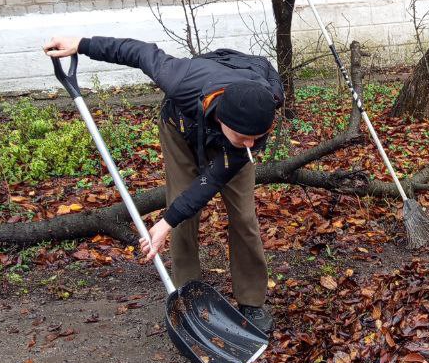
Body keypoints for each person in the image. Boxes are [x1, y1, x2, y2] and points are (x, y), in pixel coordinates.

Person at [44, 35, 284, 335]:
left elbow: (214, 179)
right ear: (223, 118)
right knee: (181, 212)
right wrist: (81, 44)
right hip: (181, 129)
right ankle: (189, 295)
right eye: (245, 137)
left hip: (229, 137)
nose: (252, 145)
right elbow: (139, 51)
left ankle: (251, 301)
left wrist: (164, 222)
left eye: (257, 138)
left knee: (244, 217)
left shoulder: (261, 114)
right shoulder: (180, 80)